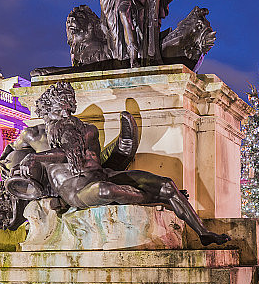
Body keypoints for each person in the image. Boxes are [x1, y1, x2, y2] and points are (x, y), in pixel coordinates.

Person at [14, 82, 229, 246]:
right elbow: (16, 155)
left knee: (166, 184)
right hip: (76, 191)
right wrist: (27, 165)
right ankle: (155, 198)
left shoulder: (87, 130)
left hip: (104, 175)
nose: (66, 115)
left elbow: (81, 156)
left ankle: (203, 233)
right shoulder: (35, 136)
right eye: (59, 111)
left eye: (69, 110)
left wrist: (35, 158)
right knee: (105, 190)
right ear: (46, 111)